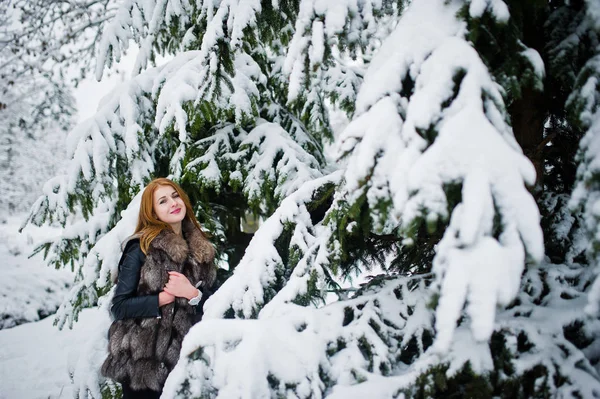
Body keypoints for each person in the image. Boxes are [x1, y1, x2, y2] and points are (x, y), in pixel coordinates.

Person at [101, 178, 216, 398]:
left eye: (175, 196)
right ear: (152, 212)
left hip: (187, 364)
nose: (173, 203)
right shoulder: (140, 248)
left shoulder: (203, 251)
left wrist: (192, 293)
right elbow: (119, 307)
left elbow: (215, 305)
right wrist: (162, 298)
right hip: (143, 369)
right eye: (162, 201)